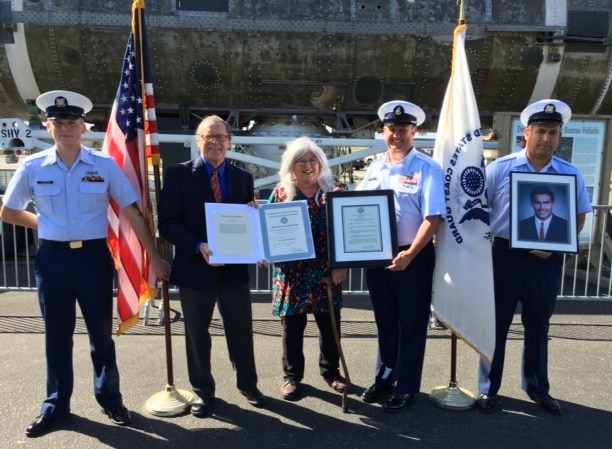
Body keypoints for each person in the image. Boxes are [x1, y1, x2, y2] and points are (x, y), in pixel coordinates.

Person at [0, 90, 171, 437]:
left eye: (72, 123)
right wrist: (42, 224)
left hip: (93, 259)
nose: (66, 129)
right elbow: (8, 210)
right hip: (53, 260)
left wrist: (155, 256)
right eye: (59, 123)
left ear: (84, 127)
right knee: (56, 337)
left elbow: (133, 213)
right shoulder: (32, 167)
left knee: (100, 336)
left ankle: (110, 399)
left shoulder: (104, 166)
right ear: (49, 127)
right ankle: (55, 405)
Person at [477, 99, 592, 415]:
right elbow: (479, 210)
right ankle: (488, 389)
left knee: (538, 325)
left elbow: (579, 215)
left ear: (559, 136)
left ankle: (537, 387)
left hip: (546, 261)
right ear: (526, 133)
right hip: (505, 257)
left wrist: (555, 246)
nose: (546, 138)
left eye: (553, 132)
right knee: (496, 325)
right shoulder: (500, 169)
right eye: (540, 131)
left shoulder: (570, 173)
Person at [157, 115, 265, 417]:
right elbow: (168, 223)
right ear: (198, 140)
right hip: (195, 267)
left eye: (220, 137)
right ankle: (203, 391)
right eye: (209, 136)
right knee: (197, 335)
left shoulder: (243, 177)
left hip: (233, 271)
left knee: (241, 331)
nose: (215, 142)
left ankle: (248, 384)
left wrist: (256, 239)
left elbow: (245, 221)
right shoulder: (179, 174)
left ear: (229, 142)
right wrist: (197, 245)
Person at [355, 100, 445, 413]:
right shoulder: (376, 167)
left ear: (414, 131)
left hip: (414, 257)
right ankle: (384, 377)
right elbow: (358, 209)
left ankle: (406, 387)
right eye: (392, 129)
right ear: (383, 131)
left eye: (403, 129)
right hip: (378, 256)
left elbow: (433, 218)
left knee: (412, 323)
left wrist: (409, 254)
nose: (397, 135)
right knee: (386, 321)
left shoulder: (427, 168)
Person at [267, 136, 347, 400]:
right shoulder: (281, 193)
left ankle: (331, 372)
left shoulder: (335, 189)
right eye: (301, 160)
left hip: (327, 272)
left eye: (313, 160)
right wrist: (263, 251)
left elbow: (346, 231)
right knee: (292, 329)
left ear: (321, 163)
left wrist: (340, 264)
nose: (308, 165)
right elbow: (266, 229)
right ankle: (292, 376)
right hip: (292, 274)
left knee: (329, 326)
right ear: (291, 165)